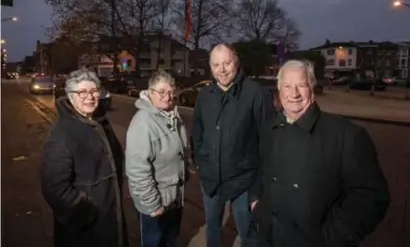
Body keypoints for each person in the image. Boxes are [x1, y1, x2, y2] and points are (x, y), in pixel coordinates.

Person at [250, 60, 390, 247]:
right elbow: (259, 170)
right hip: (270, 239)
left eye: (301, 85)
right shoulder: (269, 129)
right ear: (279, 91)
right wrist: (256, 203)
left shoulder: (346, 135)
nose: (294, 94)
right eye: (287, 86)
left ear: (312, 89)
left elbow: (370, 197)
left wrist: (332, 237)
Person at [192, 43, 273, 247]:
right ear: (210, 67)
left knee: (249, 233)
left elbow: (269, 140)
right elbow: (197, 134)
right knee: (212, 228)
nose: (222, 69)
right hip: (211, 179)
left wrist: (260, 184)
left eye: (227, 63)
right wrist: (201, 164)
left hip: (244, 181)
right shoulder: (204, 96)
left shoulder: (256, 94)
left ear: (236, 62)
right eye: (216, 64)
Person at [40, 68, 128, 247]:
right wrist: (85, 213)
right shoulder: (62, 134)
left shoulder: (100, 122)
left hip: (110, 216)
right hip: (86, 229)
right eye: (82, 92)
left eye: (94, 90)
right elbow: (55, 187)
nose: (90, 96)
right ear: (70, 96)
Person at [126, 70, 189, 247]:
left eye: (170, 91)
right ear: (150, 92)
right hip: (155, 204)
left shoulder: (172, 115)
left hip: (173, 198)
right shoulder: (143, 122)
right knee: (155, 242)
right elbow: (137, 170)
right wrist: (152, 204)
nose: (167, 97)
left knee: (170, 240)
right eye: (162, 92)